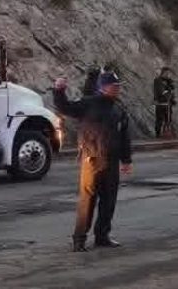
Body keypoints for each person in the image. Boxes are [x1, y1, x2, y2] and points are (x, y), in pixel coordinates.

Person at [52, 71, 132, 252]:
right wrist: (59, 90)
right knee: (87, 200)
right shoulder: (88, 103)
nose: (117, 89)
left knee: (109, 200)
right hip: (92, 159)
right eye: (113, 86)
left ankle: (102, 236)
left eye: (118, 86)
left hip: (111, 160)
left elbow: (124, 136)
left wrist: (126, 160)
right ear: (103, 87)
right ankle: (79, 239)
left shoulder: (118, 109)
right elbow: (65, 107)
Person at [153, 67, 175, 138]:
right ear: (163, 72)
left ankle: (167, 133)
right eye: (167, 73)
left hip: (168, 103)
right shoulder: (158, 80)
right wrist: (167, 91)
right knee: (159, 119)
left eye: (169, 73)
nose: (168, 74)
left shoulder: (169, 81)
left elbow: (172, 91)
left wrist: (172, 99)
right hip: (161, 103)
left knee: (168, 119)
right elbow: (160, 91)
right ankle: (158, 134)